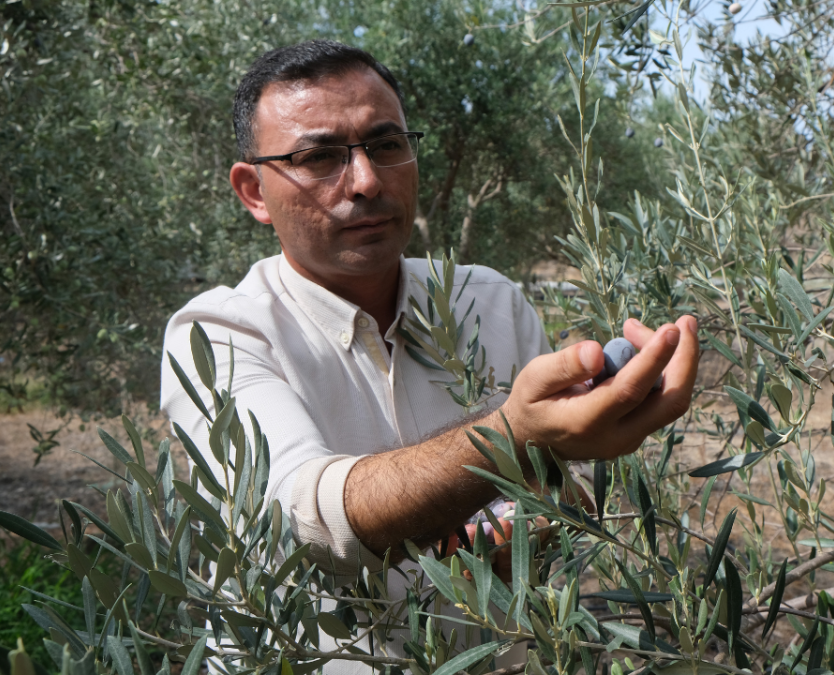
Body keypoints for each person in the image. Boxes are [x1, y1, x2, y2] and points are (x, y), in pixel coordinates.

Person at [160, 39, 699, 670]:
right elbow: (303, 517)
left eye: (386, 146)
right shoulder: (217, 334)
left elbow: (561, 495)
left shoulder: (490, 301)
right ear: (253, 192)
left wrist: (548, 508)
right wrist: (513, 434)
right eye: (318, 157)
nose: (364, 181)